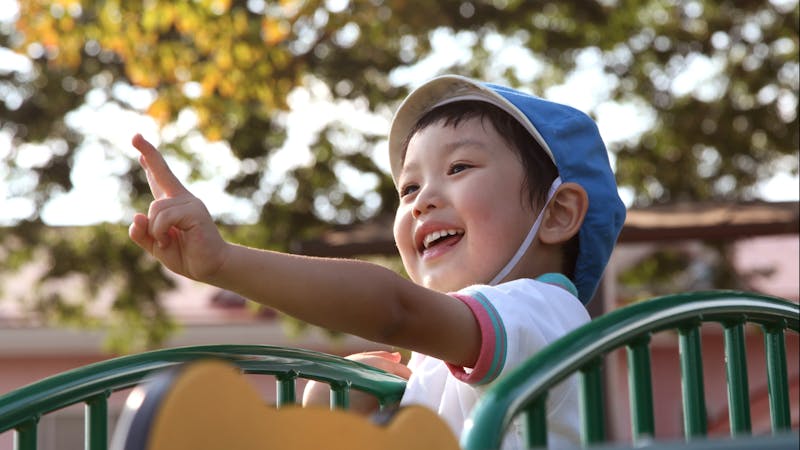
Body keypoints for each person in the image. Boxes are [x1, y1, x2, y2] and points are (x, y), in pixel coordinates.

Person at [128, 74, 626, 448]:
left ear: (558, 213)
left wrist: (224, 262)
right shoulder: (446, 357)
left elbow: (394, 308)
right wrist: (347, 400)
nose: (422, 200)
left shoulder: (544, 314)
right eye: (409, 187)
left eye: (459, 167)